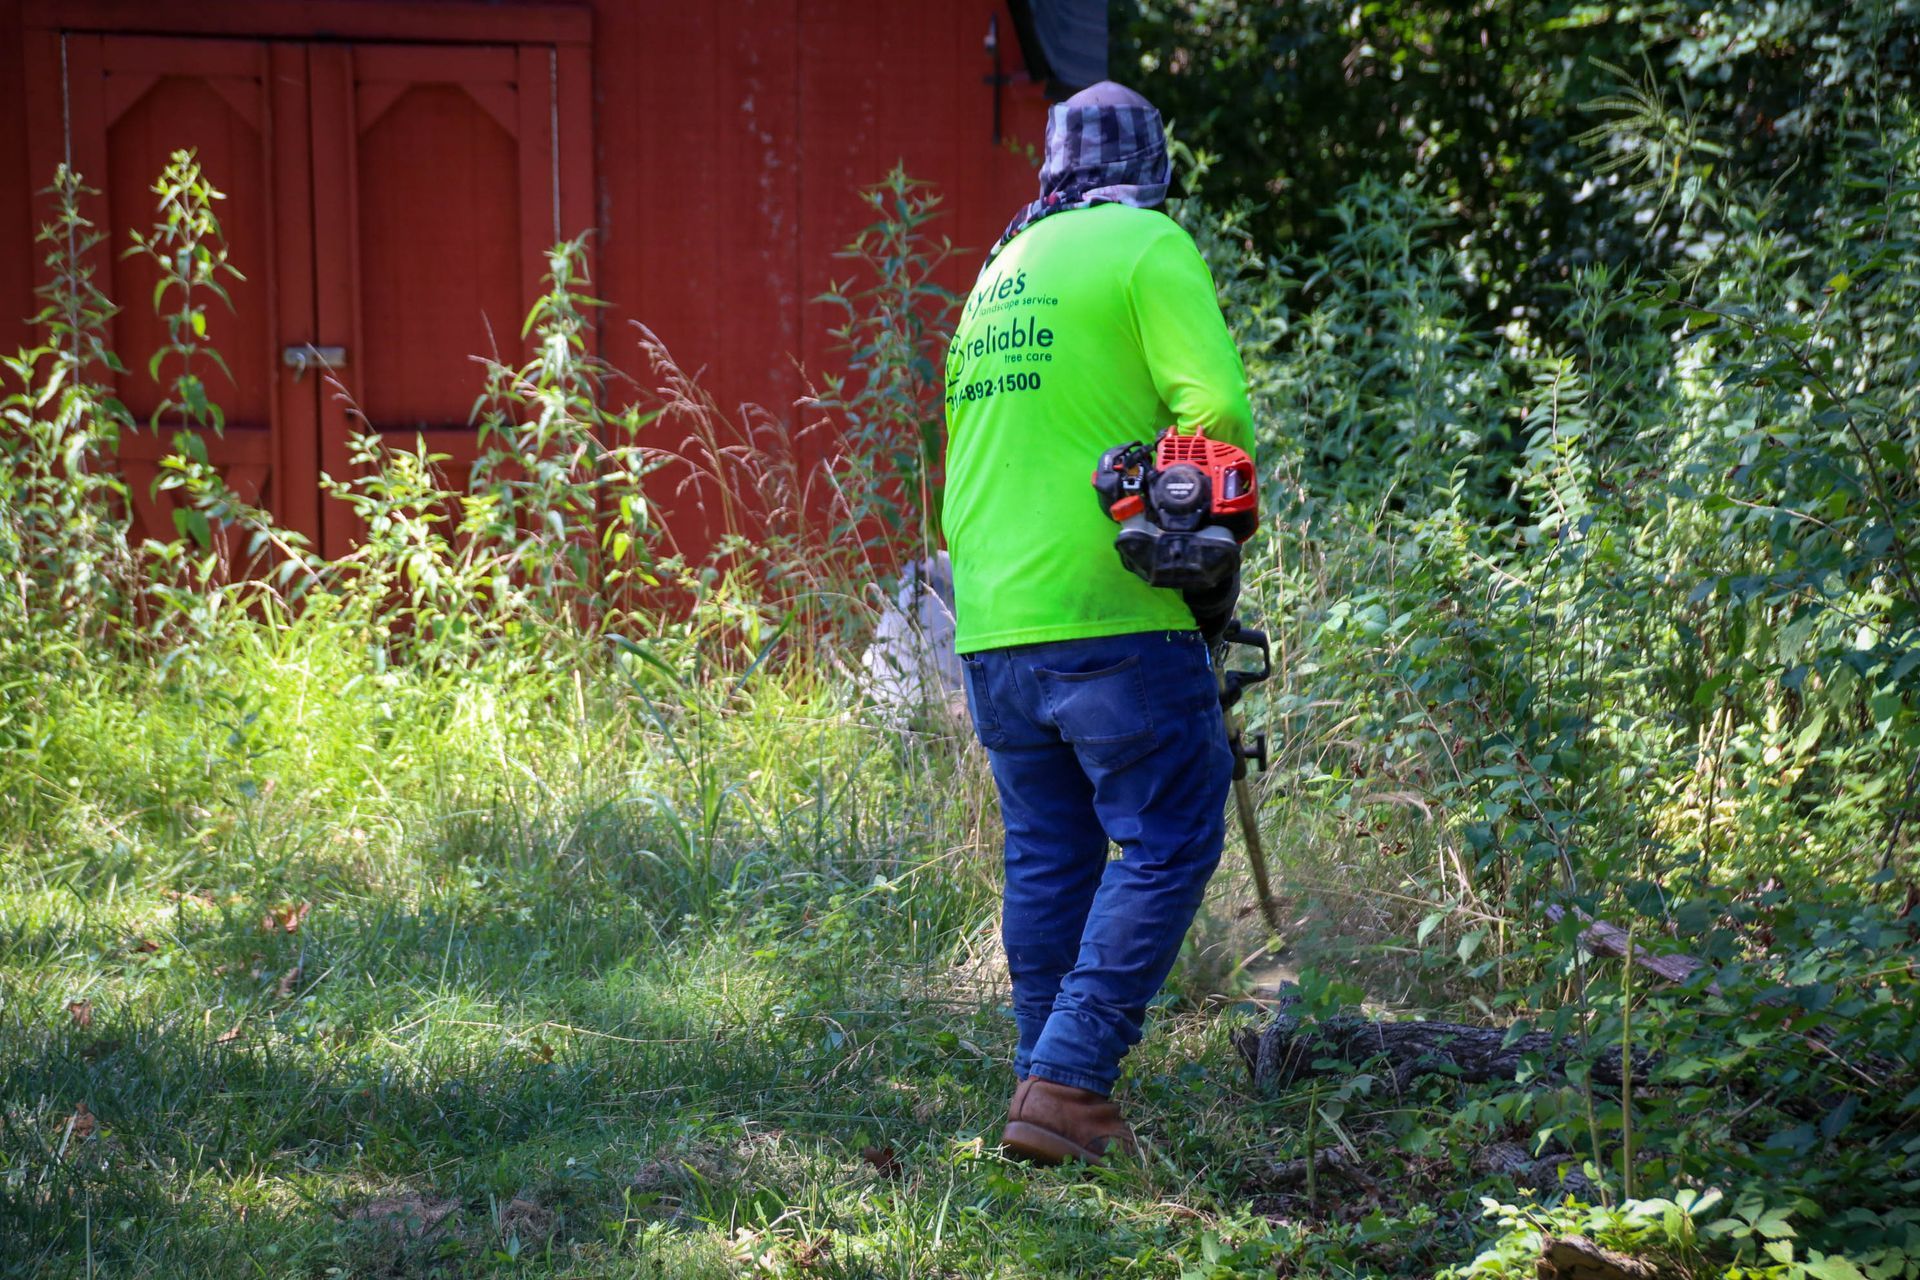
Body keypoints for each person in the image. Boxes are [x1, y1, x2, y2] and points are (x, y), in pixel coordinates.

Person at [942, 80, 1256, 1164]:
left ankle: (1042, 1086)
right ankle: (1071, 1078)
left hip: (988, 614)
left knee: (1048, 853)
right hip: (1109, 608)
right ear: (1151, 169)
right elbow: (1216, 418)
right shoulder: (1143, 241)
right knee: (1171, 825)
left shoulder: (999, 270)